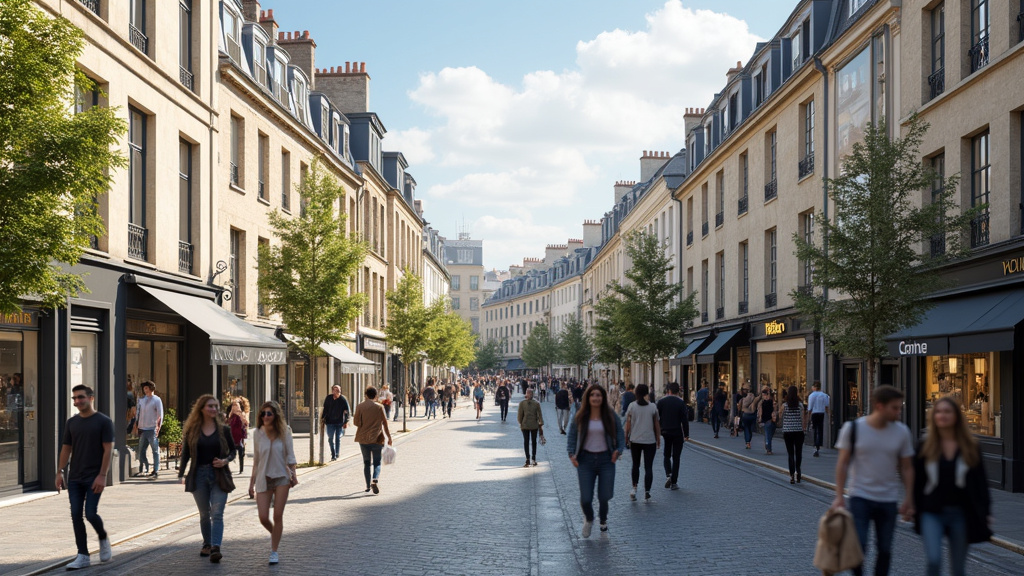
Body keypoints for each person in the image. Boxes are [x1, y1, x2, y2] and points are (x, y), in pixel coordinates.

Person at [831, 385, 915, 576]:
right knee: (859, 546)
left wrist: (909, 498)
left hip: (888, 499)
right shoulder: (853, 429)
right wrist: (839, 496)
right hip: (860, 496)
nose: (899, 412)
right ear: (879, 406)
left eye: (900, 407)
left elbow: (907, 467)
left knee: (885, 550)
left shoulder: (902, 432)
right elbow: (842, 463)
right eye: (895, 408)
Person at [913, 397, 991, 576]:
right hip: (931, 511)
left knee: (958, 569)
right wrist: (912, 505)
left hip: (960, 512)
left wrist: (985, 511)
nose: (942, 415)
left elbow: (981, 482)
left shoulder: (970, 446)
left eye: (947, 411)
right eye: (939, 412)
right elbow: (916, 481)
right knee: (933, 561)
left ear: (956, 416)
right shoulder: (925, 445)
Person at [56, 385, 114, 570]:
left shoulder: (104, 421)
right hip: (75, 477)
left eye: (81, 397)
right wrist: (60, 471)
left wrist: (102, 476)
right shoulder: (71, 422)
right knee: (75, 515)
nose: (77, 401)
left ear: (91, 398)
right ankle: (83, 555)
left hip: (94, 476)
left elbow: (108, 450)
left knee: (90, 513)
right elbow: (66, 448)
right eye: (74, 398)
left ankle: (103, 537)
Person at [179, 394, 236, 563]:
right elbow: (186, 454)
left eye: (216, 406)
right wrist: (181, 474)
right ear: (201, 408)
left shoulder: (224, 430)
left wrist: (225, 460)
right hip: (198, 475)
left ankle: (215, 547)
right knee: (205, 514)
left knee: (217, 513)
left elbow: (233, 451)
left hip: (219, 476)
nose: (214, 409)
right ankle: (207, 543)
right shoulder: (192, 430)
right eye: (210, 406)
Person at [567, 385, 625, 537]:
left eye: (598, 395)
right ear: (588, 397)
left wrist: (618, 450)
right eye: (593, 395)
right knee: (586, 497)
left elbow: (620, 432)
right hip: (585, 460)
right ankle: (589, 518)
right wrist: (571, 453)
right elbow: (572, 435)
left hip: (606, 459)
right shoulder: (581, 415)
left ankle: (603, 520)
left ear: (603, 397)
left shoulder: (610, 414)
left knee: (604, 496)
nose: (596, 398)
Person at [248, 401, 297, 565]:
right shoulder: (257, 433)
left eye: (269, 413)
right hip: (263, 478)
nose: (265, 416)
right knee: (263, 517)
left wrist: (294, 474)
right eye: (263, 413)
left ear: (275, 415)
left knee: (277, 515)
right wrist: (251, 483)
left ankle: (274, 551)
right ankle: (276, 533)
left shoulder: (285, 431)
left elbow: (290, 456)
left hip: (281, 477)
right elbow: (256, 460)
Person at [624, 384, 660, 501]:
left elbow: (628, 424)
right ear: (646, 394)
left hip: (635, 439)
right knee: (648, 466)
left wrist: (626, 437)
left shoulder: (632, 406)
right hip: (650, 440)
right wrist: (658, 438)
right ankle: (647, 491)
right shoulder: (652, 407)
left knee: (635, 464)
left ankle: (634, 488)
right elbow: (656, 424)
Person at [353, 386, 393, 493]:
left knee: (366, 462)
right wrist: (389, 437)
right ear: (376, 395)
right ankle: (375, 479)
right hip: (377, 438)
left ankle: (367, 485)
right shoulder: (380, 407)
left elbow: (356, 422)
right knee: (377, 462)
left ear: (366, 395)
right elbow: (385, 423)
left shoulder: (360, 406)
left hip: (363, 438)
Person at [656, 382, 689, 490]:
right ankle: (674, 482)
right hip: (677, 432)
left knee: (666, 454)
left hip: (665, 431)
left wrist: (658, 430)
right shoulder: (681, 403)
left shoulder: (661, 402)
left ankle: (668, 474)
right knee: (676, 457)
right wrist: (686, 434)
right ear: (678, 391)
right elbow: (684, 419)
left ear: (668, 391)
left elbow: (656, 418)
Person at [133, 380, 163, 477]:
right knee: (141, 450)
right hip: (142, 428)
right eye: (144, 388)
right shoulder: (141, 400)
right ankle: (145, 468)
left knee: (155, 450)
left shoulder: (157, 400)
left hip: (152, 428)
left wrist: (158, 427)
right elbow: (138, 412)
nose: (145, 390)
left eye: (146, 388)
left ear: (151, 388)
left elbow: (160, 414)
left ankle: (156, 470)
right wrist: (136, 424)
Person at [781, 385, 808, 484]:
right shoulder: (800, 405)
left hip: (788, 432)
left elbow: (780, 416)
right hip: (798, 432)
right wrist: (804, 428)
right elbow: (803, 418)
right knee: (799, 452)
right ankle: (798, 471)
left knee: (790, 453)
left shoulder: (784, 405)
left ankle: (792, 475)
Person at [321, 385, 350, 461]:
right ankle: (333, 453)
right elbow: (325, 409)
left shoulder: (343, 399)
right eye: (335, 390)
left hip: (339, 422)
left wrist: (346, 421)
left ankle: (336, 454)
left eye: (338, 390)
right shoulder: (328, 398)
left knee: (338, 438)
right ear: (332, 391)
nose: (337, 392)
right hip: (329, 422)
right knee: (330, 438)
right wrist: (322, 419)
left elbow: (347, 411)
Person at [517, 388, 544, 467]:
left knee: (526, 441)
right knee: (534, 442)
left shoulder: (522, 403)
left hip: (525, 425)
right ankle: (534, 458)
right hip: (534, 426)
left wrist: (521, 423)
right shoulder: (536, 404)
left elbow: (519, 416)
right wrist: (541, 425)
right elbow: (540, 416)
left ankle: (527, 459)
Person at [807, 381, 831, 457]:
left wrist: (808, 417)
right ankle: (818, 445)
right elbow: (827, 407)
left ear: (814, 387)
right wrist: (829, 415)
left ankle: (815, 445)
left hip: (814, 413)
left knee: (814, 429)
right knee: (820, 429)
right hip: (821, 413)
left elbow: (810, 408)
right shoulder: (825, 395)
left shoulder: (811, 396)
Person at [228, 398, 249, 473]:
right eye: (233, 405)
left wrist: (240, 415)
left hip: (239, 435)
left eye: (236, 405)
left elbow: (246, 423)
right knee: (229, 452)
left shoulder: (242, 413)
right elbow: (228, 422)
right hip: (232, 434)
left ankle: (241, 469)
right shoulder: (231, 414)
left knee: (241, 452)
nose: (234, 406)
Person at [759, 388, 777, 455]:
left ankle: (768, 448)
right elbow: (775, 410)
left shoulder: (763, 402)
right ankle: (768, 448)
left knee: (768, 435)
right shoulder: (771, 402)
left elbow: (760, 412)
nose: (764, 396)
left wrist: (760, 419)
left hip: (767, 420)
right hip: (770, 420)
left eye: (764, 395)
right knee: (769, 435)